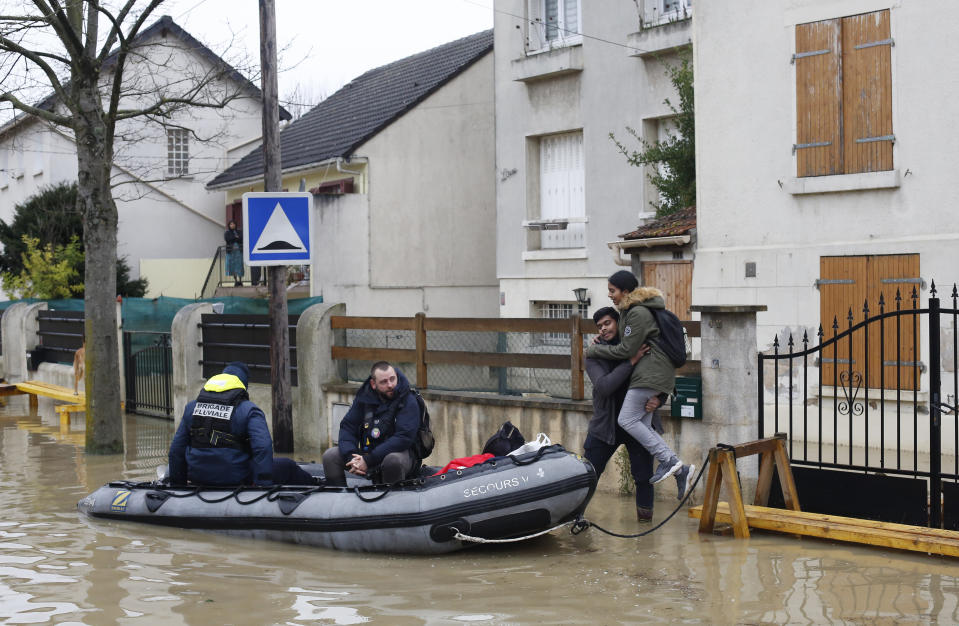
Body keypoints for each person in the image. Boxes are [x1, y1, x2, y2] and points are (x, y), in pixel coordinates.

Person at [585, 270, 695, 501]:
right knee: (591, 473)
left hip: (648, 377)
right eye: (599, 326)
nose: (609, 295)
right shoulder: (637, 313)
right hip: (616, 415)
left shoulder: (636, 314)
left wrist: (595, 349)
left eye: (612, 290)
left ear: (625, 291)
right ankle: (675, 469)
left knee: (627, 420)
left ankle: (674, 464)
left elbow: (626, 350)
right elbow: (606, 384)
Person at [168, 362, 314, 486]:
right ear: (243, 385)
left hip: (198, 476)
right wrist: (261, 485)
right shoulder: (249, 410)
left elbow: (176, 450)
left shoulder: (192, 407)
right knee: (287, 465)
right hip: (235, 477)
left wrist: (177, 485)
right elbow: (263, 448)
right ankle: (318, 486)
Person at [585, 306, 665, 522]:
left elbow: (661, 375)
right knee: (587, 476)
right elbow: (604, 386)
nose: (603, 329)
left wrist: (660, 399)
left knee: (644, 479)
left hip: (638, 424)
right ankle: (573, 518)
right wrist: (631, 361)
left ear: (619, 323)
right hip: (605, 426)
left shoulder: (640, 345)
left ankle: (645, 530)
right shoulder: (595, 353)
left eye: (607, 323)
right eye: (599, 326)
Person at [322, 361, 420, 486]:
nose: (390, 385)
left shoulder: (408, 400)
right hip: (368, 454)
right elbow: (348, 427)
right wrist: (351, 458)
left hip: (400, 455)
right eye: (384, 382)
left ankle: (393, 500)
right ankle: (339, 497)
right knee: (330, 456)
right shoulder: (364, 399)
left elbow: (403, 438)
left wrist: (368, 460)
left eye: (392, 379)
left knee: (393, 461)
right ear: (373, 384)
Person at [224, 220, 244, 287]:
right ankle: (236, 281)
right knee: (232, 266)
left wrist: (234, 238)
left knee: (239, 265)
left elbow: (241, 238)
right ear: (229, 225)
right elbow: (227, 239)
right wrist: (235, 238)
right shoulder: (227, 232)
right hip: (231, 252)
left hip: (238, 252)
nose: (232, 225)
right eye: (231, 224)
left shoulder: (239, 232)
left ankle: (240, 281)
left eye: (233, 224)